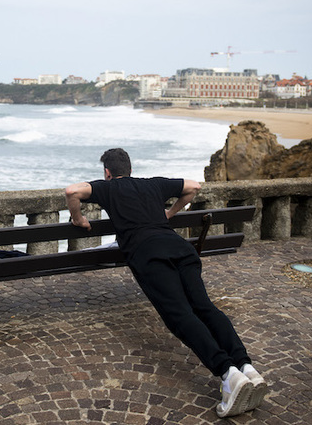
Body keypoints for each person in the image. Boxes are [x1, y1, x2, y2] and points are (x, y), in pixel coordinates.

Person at [65, 148, 267, 417]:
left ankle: (227, 374)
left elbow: (71, 192)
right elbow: (193, 187)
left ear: (107, 172)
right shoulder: (154, 184)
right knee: (204, 307)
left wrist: (78, 219)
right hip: (181, 249)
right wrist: (169, 213)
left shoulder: (107, 188)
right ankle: (246, 367)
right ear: (131, 169)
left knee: (180, 316)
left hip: (149, 255)